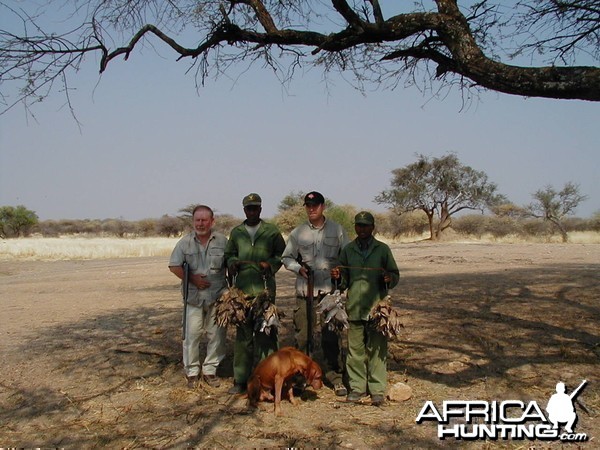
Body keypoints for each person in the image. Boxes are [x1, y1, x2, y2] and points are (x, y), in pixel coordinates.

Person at [281, 191, 350, 396]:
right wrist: (298, 268)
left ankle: (335, 377)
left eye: (316, 205)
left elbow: (346, 257)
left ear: (323, 207)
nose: (312, 209)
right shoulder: (298, 232)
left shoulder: (337, 230)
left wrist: (341, 271)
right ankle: (300, 378)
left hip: (329, 293)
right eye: (308, 205)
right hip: (305, 291)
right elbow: (287, 258)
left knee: (331, 336)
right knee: (303, 335)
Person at [330, 211, 399, 406]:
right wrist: (337, 276)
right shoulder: (348, 250)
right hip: (354, 308)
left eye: (366, 225)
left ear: (373, 227)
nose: (362, 229)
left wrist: (389, 278)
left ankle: (377, 389)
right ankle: (357, 388)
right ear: (355, 227)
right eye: (359, 225)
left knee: (377, 349)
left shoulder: (383, 249)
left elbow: (394, 274)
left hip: (377, 310)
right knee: (355, 351)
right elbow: (343, 282)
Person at [225, 193, 286, 394]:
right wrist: (232, 264)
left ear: (260, 209)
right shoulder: (236, 232)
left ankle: (266, 378)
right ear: (244, 210)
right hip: (242, 291)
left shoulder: (271, 231)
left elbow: (282, 255)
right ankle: (241, 380)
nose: (252, 211)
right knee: (243, 336)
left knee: (266, 334)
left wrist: (271, 264)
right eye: (248, 208)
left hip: (265, 290)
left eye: (255, 208)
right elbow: (229, 254)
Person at [168, 205, 228, 389]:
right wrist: (192, 279)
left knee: (217, 336)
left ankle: (210, 370)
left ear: (212, 221)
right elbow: (174, 266)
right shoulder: (184, 243)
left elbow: (231, 264)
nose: (201, 224)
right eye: (197, 220)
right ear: (193, 221)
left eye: (204, 220)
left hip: (217, 297)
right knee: (191, 336)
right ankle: (192, 373)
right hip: (193, 298)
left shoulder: (223, 242)